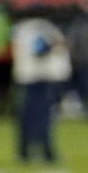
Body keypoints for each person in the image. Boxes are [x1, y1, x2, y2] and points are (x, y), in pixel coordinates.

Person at [11, 9, 72, 164]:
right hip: (42, 77)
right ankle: (47, 152)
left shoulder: (21, 29)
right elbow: (40, 49)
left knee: (25, 117)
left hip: (25, 76)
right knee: (43, 117)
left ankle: (23, 152)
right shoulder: (45, 28)